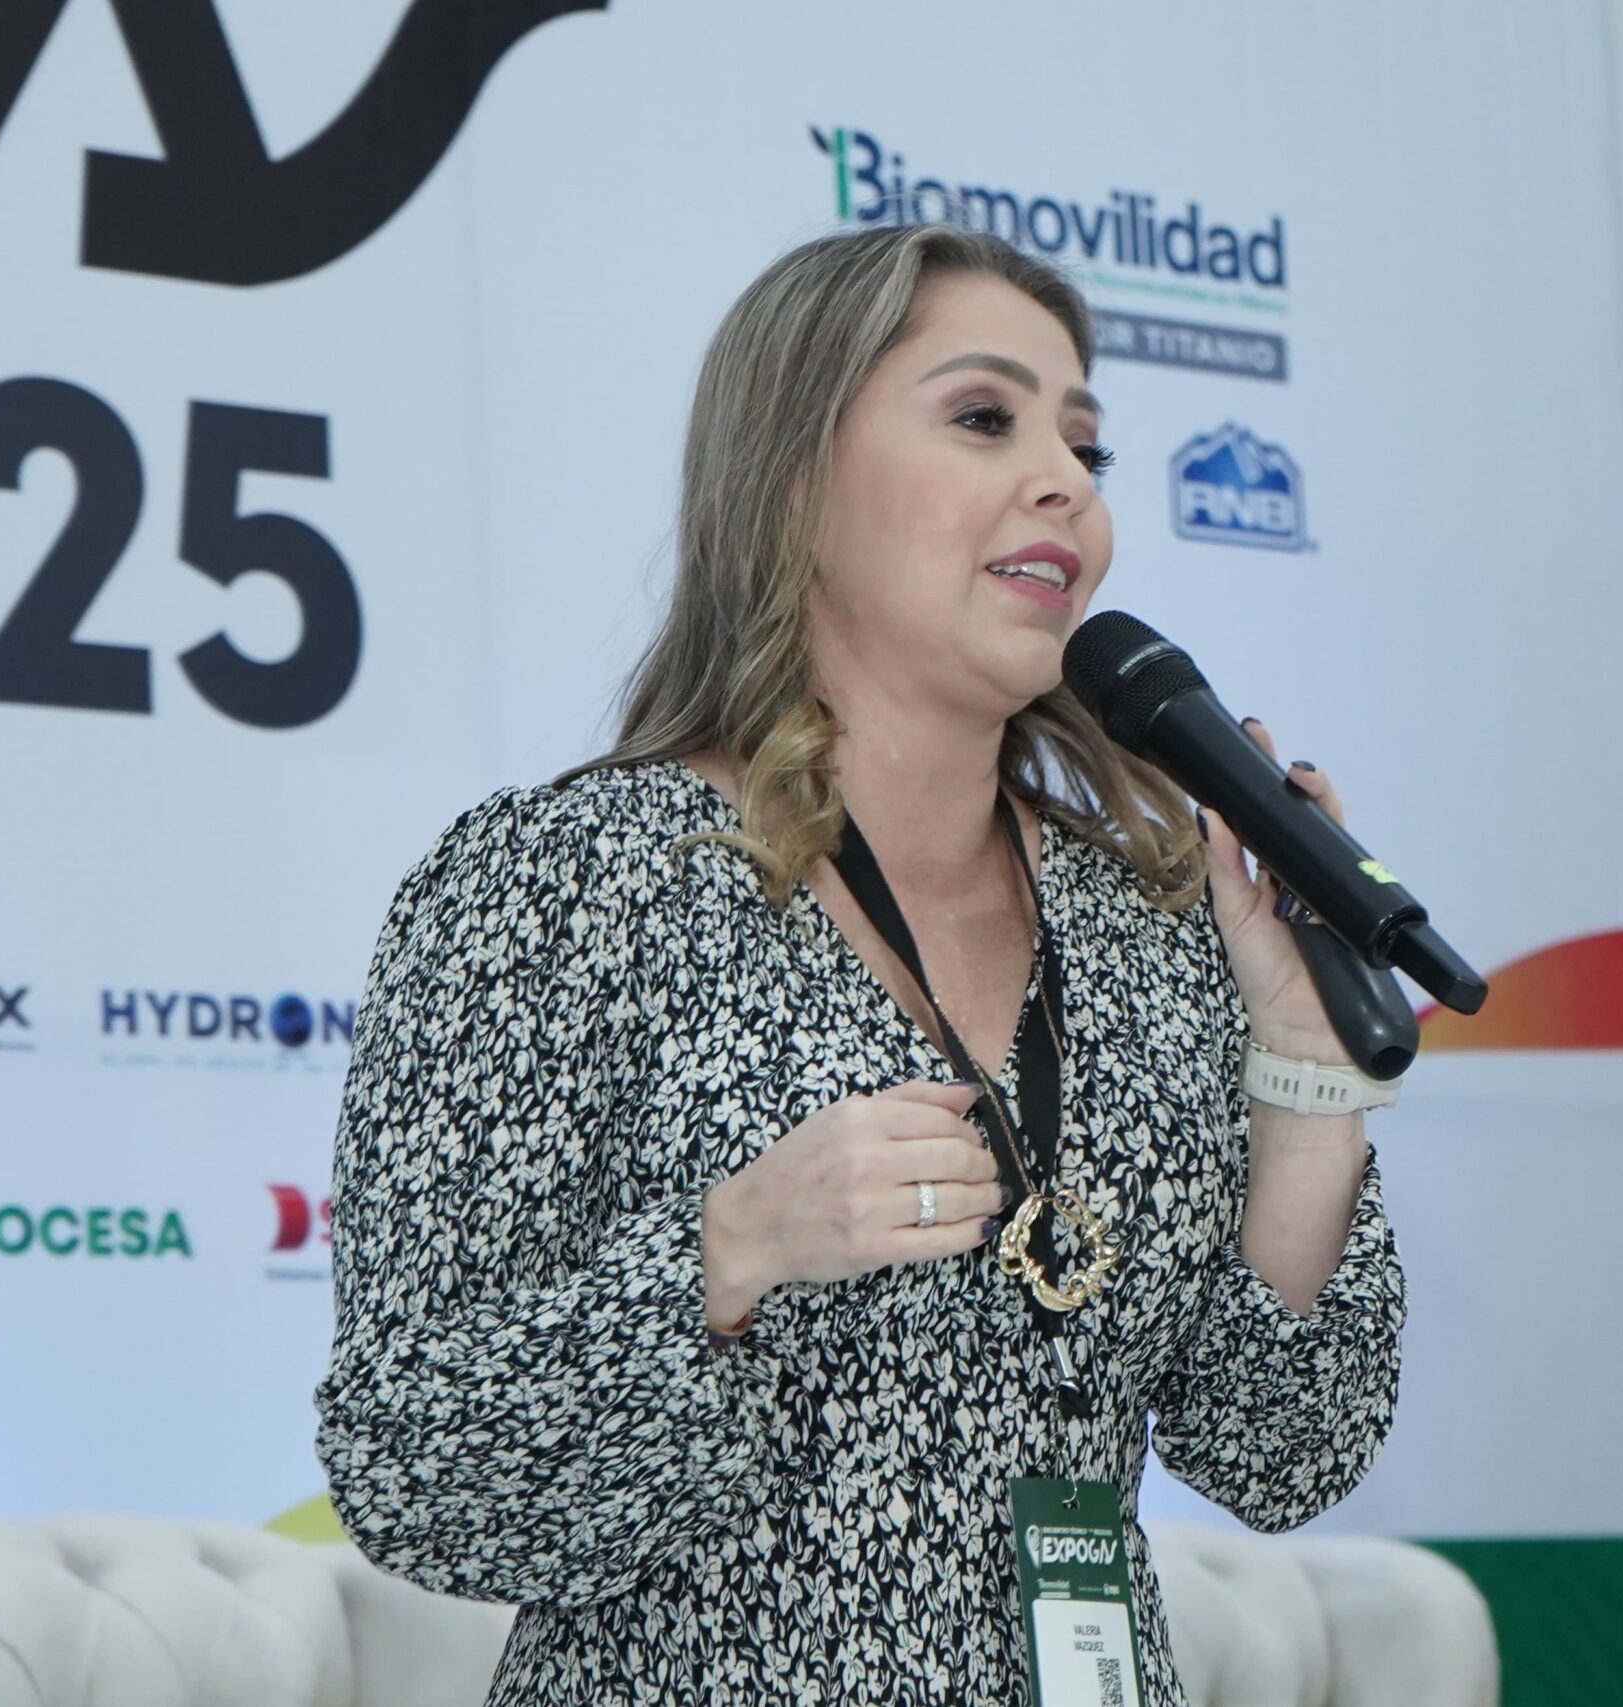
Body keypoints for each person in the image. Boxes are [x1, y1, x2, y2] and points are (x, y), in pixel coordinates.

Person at [314, 224, 1407, 1705]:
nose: (1067, 483)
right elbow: (415, 1472)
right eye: (985, 418)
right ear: (793, 480)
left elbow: (1283, 1450)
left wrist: (1306, 1084)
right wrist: (729, 1252)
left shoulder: (1157, 919)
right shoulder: (563, 881)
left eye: (1086, 445)